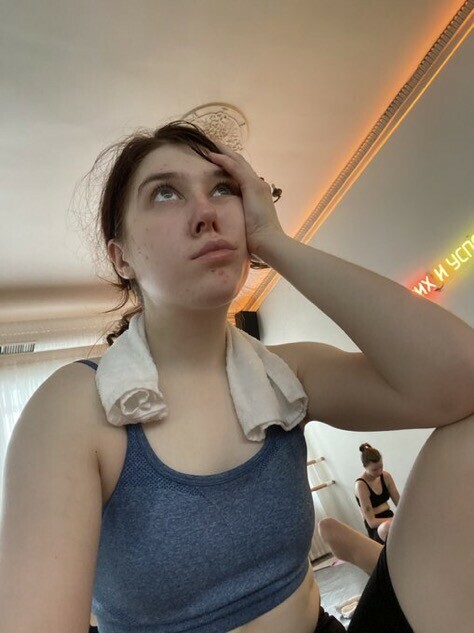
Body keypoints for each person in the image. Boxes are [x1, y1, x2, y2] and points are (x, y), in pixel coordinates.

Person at [0, 121, 473, 633]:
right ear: (122, 256)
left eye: (222, 189)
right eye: (165, 193)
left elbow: (460, 380)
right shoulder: (73, 408)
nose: (206, 212)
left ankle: (363, 554)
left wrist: (275, 242)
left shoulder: (287, 374)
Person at [354, 443, 399, 543]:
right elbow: (371, 522)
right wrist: (395, 520)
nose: (379, 472)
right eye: (374, 470)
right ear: (365, 466)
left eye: (381, 467)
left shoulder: (386, 476)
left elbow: (400, 504)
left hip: (390, 518)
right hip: (377, 527)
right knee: (387, 526)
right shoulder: (361, 485)